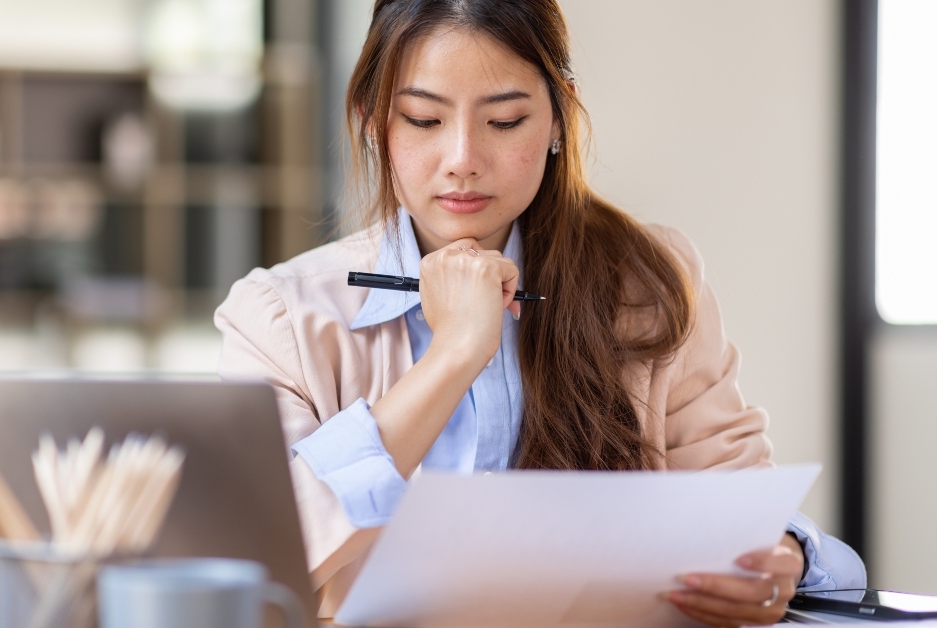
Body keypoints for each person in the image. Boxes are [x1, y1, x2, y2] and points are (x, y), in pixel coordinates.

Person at [215, 0, 866, 625]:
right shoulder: (279, 316)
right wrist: (453, 355)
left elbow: (738, 500)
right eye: (423, 119)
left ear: (558, 118)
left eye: (504, 121)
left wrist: (780, 555)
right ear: (372, 121)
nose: (463, 161)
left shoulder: (651, 281)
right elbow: (258, 557)